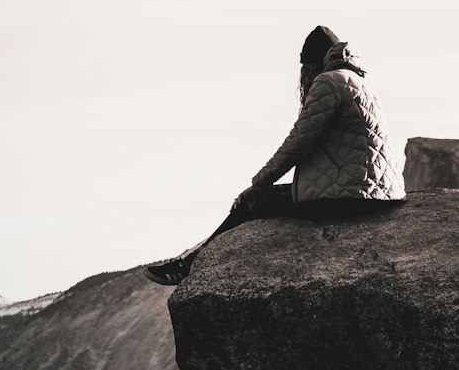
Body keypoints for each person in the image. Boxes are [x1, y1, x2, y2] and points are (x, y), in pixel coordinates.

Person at [145, 25, 407, 285]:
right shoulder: (358, 82)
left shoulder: (328, 81)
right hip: (379, 191)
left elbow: (298, 142)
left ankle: (189, 266)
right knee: (262, 198)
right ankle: (190, 263)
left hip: (350, 194)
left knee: (252, 201)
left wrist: (261, 180)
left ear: (314, 63)